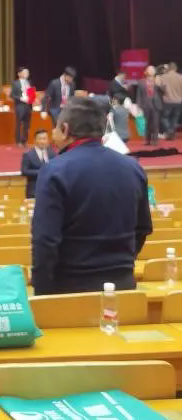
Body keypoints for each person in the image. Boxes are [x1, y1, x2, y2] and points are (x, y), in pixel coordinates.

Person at [31, 97, 152, 295]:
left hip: (69, 291)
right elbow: (143, 229)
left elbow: (45, 240)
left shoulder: (54, 171)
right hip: (122, 288)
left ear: (65, 129)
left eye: (56, 127)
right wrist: (120, 265)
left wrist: (42, 295)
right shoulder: (133, 168)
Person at [20, 128, 56, 200]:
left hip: (50, 191)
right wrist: (41, 172)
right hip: (34, 191)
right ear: (35, 140)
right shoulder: (28, 155)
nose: (42, 141)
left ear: (48, 140)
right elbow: (24, 171)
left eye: (44, 138)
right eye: (40, 139)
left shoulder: (52, 153)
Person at [137, 65, 163, 146]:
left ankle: (155, 140)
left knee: (155, 124)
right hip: (145, 105)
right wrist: (139, 105)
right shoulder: (141, 82)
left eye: (152, 70)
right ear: (146, 72)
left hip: (156, 105)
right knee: (147, 123)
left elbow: (163, 91)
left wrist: (159, 84)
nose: (151, 71)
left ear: (155, 72)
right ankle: (147, 140)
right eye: (149, 69)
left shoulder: (158, 80)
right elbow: (139, 95)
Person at [157, 61, 182, 141]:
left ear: (169, 68)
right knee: (175, 118)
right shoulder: (180, 77)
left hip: (167, 101)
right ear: (175, 68)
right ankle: (171, 133)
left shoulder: (164, 77)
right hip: (178, 101)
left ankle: (169, 131)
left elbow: (158, 86)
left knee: (164, 117)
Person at [10, 67, 34, 147]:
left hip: (28, 105)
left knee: (27, 124)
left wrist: (31, 98)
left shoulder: (29, 82)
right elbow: (12, 95)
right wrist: (20, 98)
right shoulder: (15, 83)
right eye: (24, 72)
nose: (26, 74)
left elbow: (31, 93)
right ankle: (18, 141)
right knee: (19, 124)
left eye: (27, 73)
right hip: (20, 105)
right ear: (19, 74)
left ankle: (24, 140)